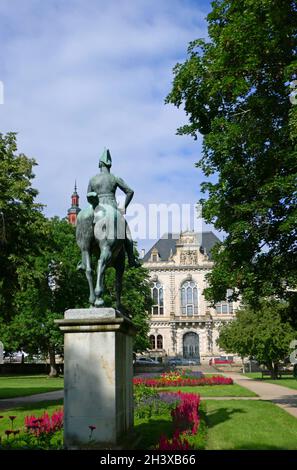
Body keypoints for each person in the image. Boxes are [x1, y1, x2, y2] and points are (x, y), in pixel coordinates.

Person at [86, 148, 140, 268]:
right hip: (112, 208)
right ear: (109, 165)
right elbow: (130, 192)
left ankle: (83, 261)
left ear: (100, 164)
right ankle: (131, 259)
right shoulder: (114, 178)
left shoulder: (93, 179)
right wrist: (123, 207)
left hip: (96, 208)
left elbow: (88, 195)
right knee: (127, 234)